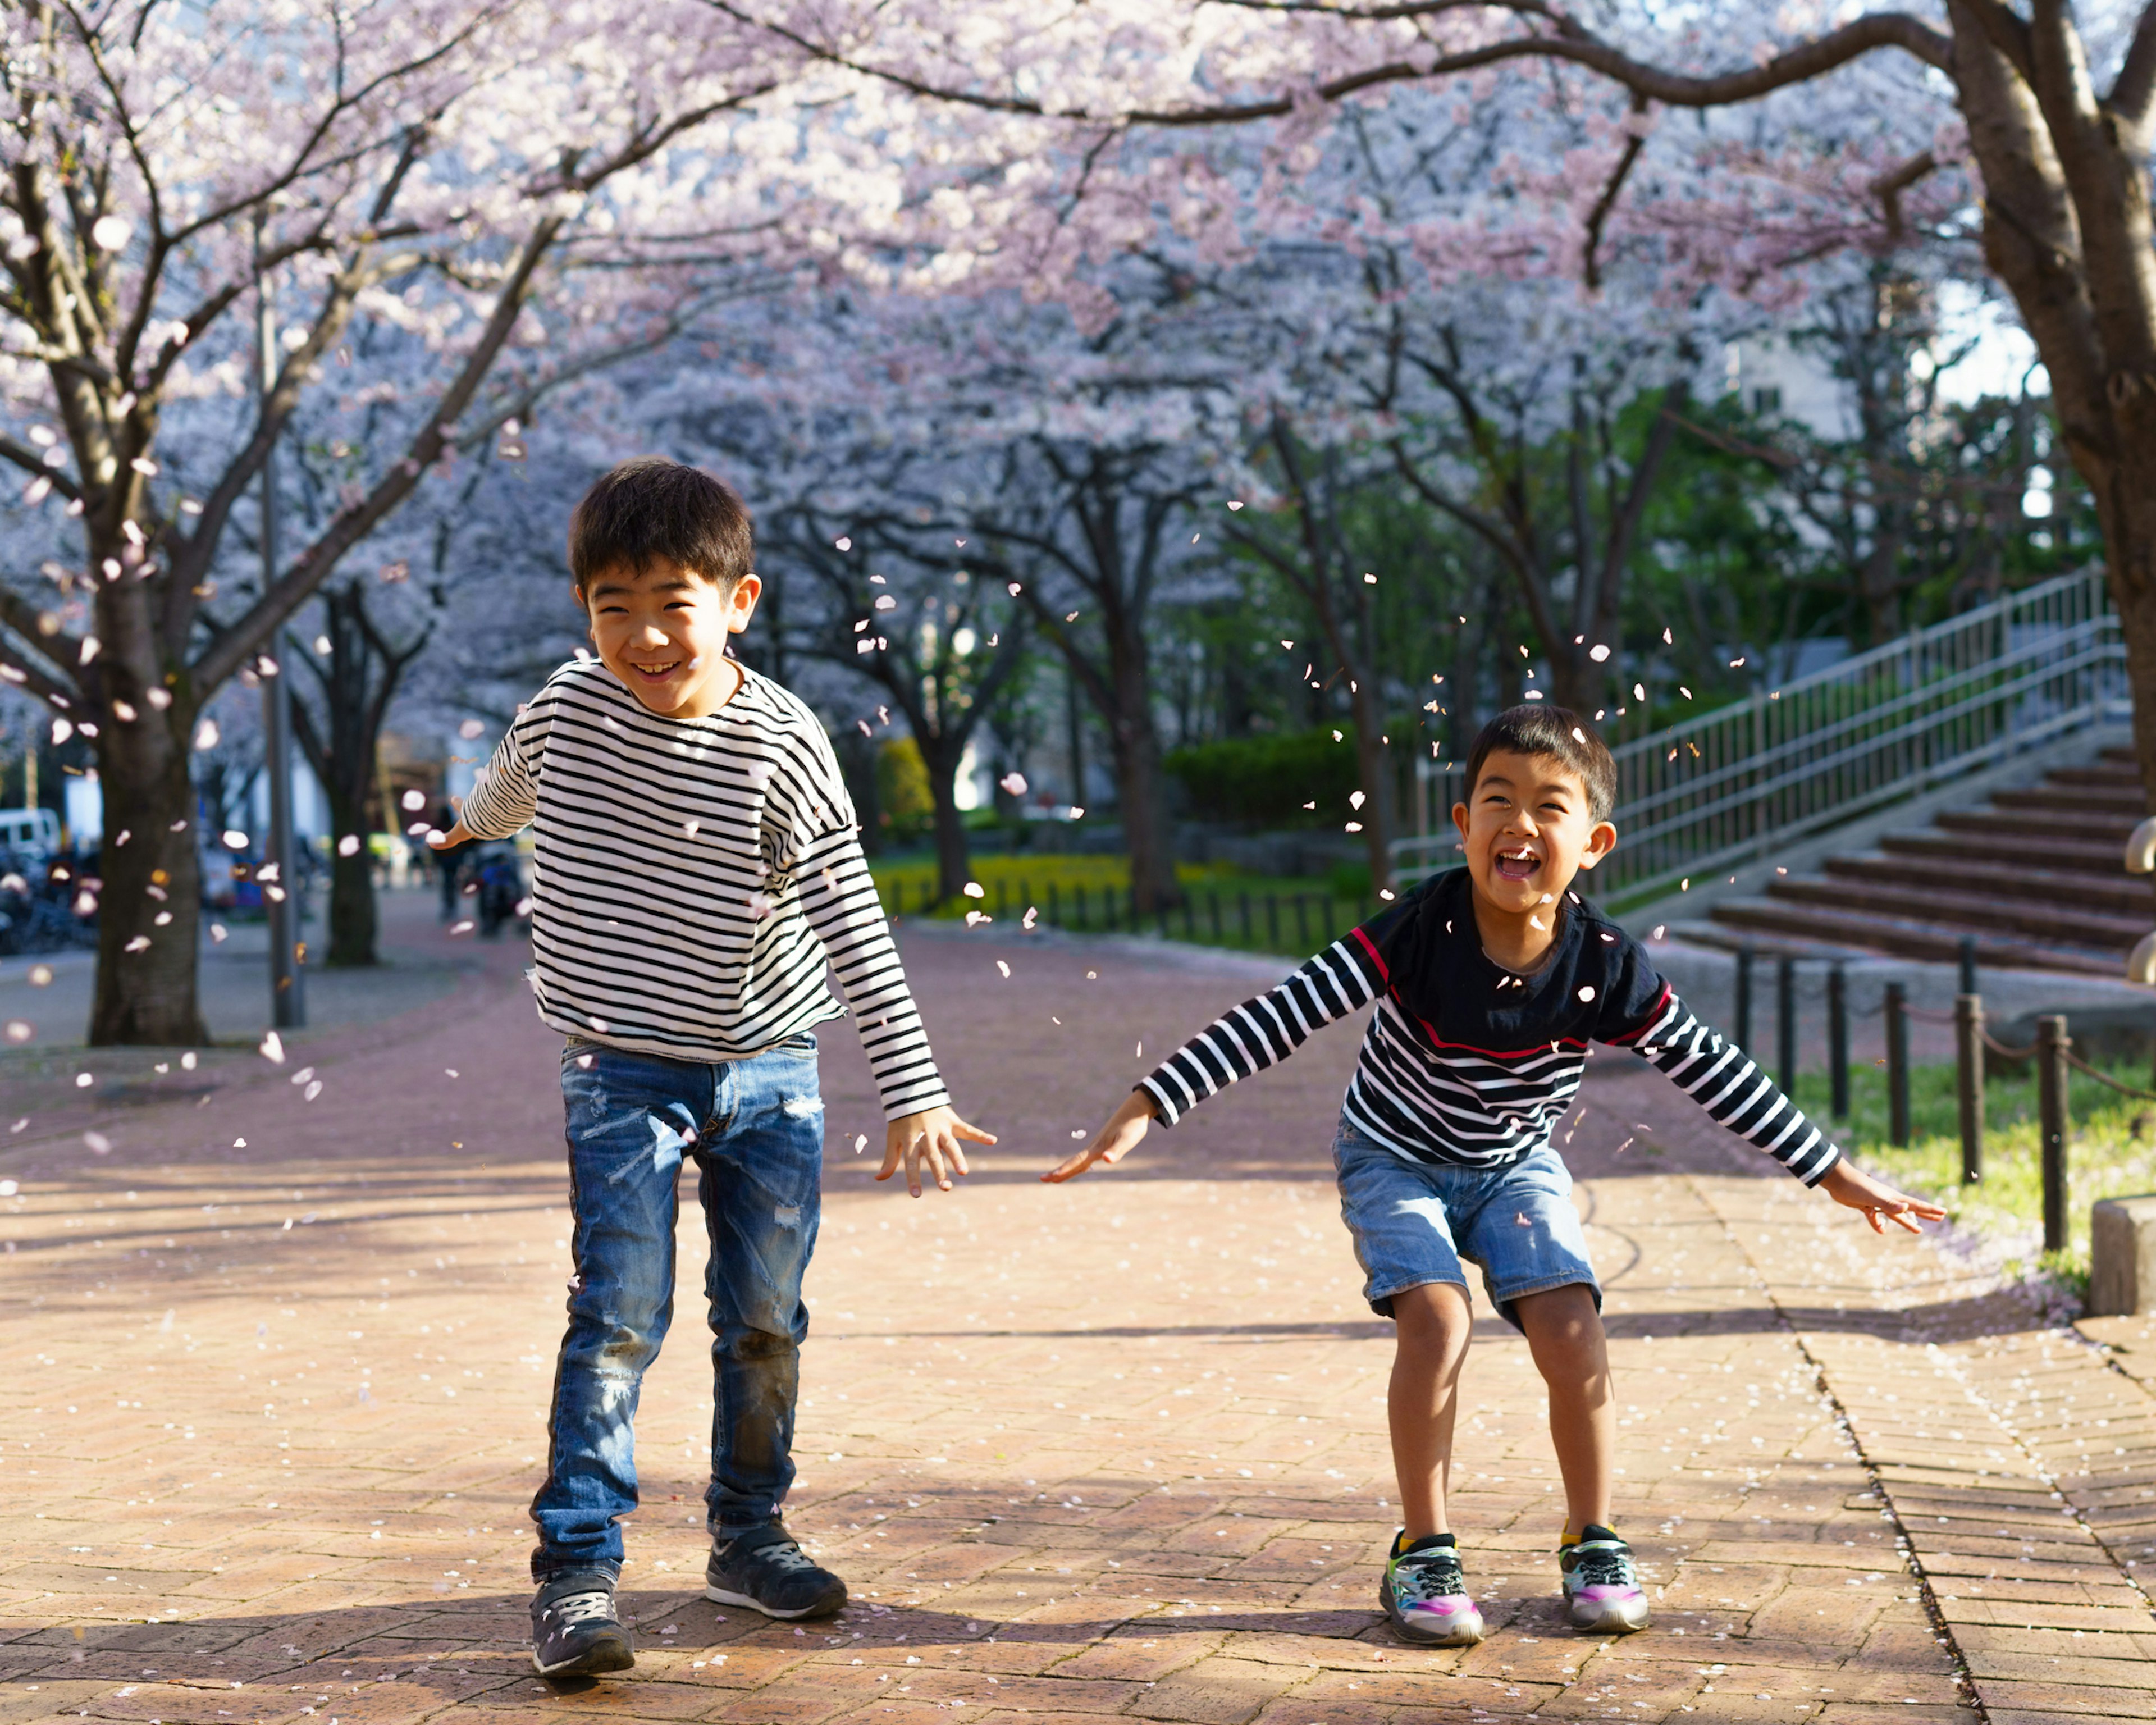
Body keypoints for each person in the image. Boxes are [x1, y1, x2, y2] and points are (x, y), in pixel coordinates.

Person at [1048, 704, 1942, 1648]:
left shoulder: (1605, 967)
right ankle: (1423, 1554)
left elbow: (1713, 1068)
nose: (1520, 822)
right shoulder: (1418, 931)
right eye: (1497, 800)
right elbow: (1284, 1013)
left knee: (1571, 1323)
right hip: (1392, 1158)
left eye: (1549, 806)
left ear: (1591, 843)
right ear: (1462, 826)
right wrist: (1153, 1103)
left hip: (1515, 1167)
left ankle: (1594, 1539)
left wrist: (1831, 1172)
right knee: (1437, 1319)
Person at [430, 457, 992, 1680]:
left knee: (764, 1320)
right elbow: (507, 789)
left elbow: (851, 913)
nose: (640, 635)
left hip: (770, 1069)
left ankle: (750, 1537)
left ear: (737, 602)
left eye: (671, 603)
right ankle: (577, 1572)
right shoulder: (565, 712)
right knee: (618, 1314)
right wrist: (469, 826)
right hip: (617, 1065)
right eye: (611, 607)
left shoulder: (783, 744)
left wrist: (914, 1085)